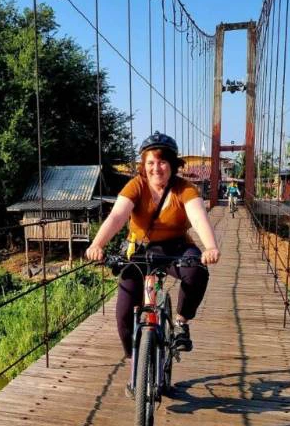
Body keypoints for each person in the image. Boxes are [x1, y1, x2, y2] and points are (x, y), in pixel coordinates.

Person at [85, 131, 220, 359]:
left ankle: (180, 323)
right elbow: (117, 216)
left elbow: (197, 217)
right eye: (151, 162)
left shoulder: (184, 188)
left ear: (173, 164)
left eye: (162, 162)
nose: (156, 168)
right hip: (139, 249)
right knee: (124, 314)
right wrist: (97, 244)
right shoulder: (136, 186)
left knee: (197, 271)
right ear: (143, 165)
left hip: (176, 248)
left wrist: (210, 246)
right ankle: (136, 363)